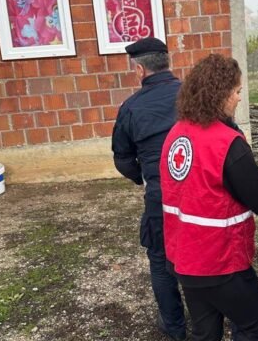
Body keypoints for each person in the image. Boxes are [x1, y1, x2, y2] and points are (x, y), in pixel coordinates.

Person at [160, 54, 258, 341]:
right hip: (219, 259)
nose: (239, 98)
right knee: (256, 322)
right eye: (236, 91)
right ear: (220, 94)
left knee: (205, 331)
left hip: (183, 255)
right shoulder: (226, 143)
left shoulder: (177, 133)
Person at [111, 37, 186, 341]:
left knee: (160, 259)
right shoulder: (194, 95)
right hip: (203, 192)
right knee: (205, 254)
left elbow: (122, 159)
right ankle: (209, 321)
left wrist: (143, 178)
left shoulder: (130, 108)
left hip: (161, 197)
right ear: (167, 63)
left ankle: (174, 327)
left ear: (140, 70)